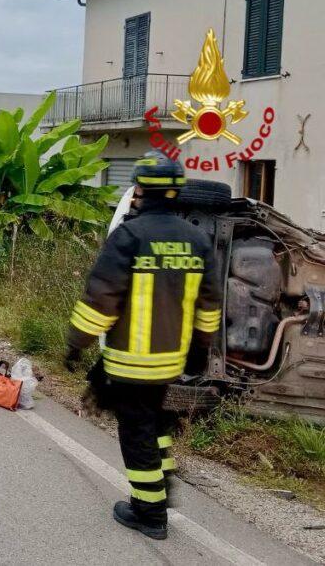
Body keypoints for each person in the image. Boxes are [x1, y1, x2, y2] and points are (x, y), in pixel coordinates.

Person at [64, 149, 221, 540]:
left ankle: (149, 512)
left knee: (135, 434)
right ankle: (161, 482)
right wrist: (200, 352)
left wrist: (76, 344)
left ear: (139, 191)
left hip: (130, 362)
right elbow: (209, 306)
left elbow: (101, 299)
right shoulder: (197, 240)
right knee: (155, 421)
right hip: (170, 362)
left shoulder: (129, 236)